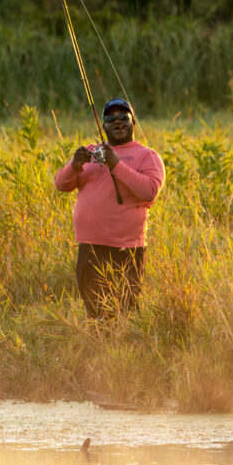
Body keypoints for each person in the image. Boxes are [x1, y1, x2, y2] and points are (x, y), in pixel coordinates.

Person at [54, 98, 165, 319]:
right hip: (91, 248)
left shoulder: (147, 155)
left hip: (127, 250)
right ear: (103, 125)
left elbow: (149, 191)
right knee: (96, 313)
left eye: (123, 117)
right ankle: (99, 351)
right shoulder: (90, 152)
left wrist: (115, 164)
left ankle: (126, 352)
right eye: (110, 118)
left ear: (133, 121)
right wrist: (74, 165)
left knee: (127, 313)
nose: (118, 122)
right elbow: (61, 184)